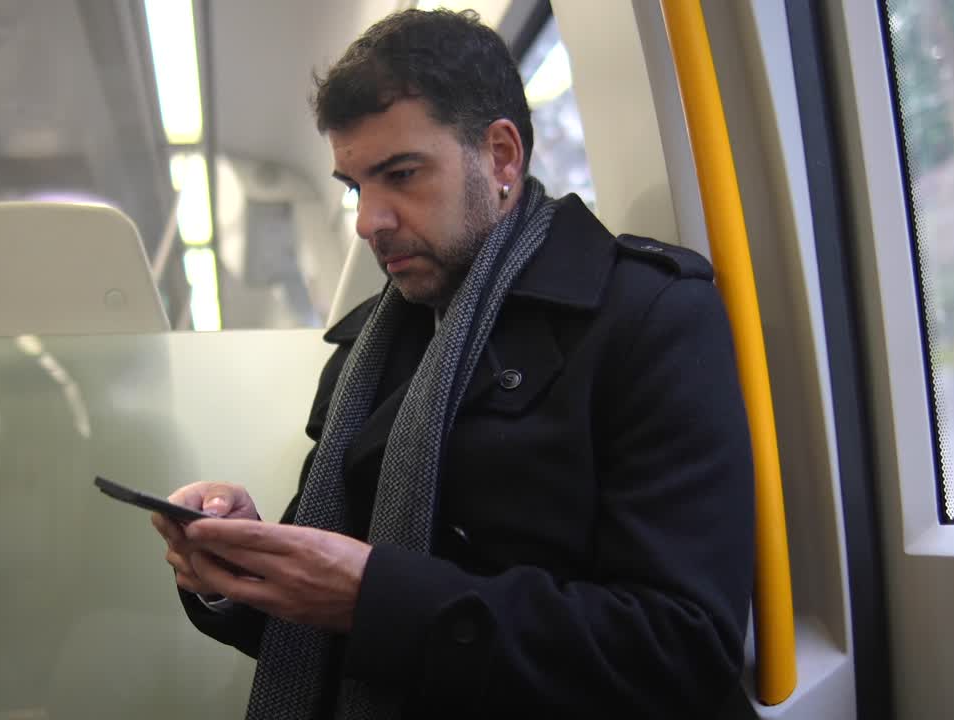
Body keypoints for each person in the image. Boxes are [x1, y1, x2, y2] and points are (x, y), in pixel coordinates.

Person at [152, 8, 755, 719]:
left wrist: (376, 597)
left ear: (501, 157)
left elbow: (680, 652)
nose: (367, 221)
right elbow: (315, 624)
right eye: (354, 187)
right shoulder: (365, 356)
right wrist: (240, 563)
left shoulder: (647, 319)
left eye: (401, 175)